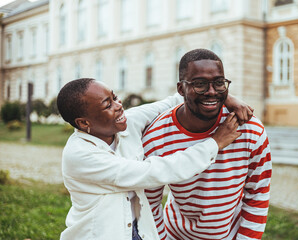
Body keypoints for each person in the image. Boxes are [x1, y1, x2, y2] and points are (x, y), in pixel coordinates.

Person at [57, 78, 253, 240]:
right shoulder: (80, 155)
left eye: (115, 97)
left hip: (140, 231)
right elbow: (153, 172)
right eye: (108, 104)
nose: (118, 106)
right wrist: (214, 143)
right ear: (84, 122)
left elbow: (171, 102)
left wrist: (225, 97)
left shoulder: (128, 122)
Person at [143, 49, 272, 240]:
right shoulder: (157, 137)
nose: (211, 92)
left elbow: (258, 193)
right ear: (181, 89)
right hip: (175, 235)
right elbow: (149, 205)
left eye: (219, 83)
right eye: (200, 84)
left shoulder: (250, 129)